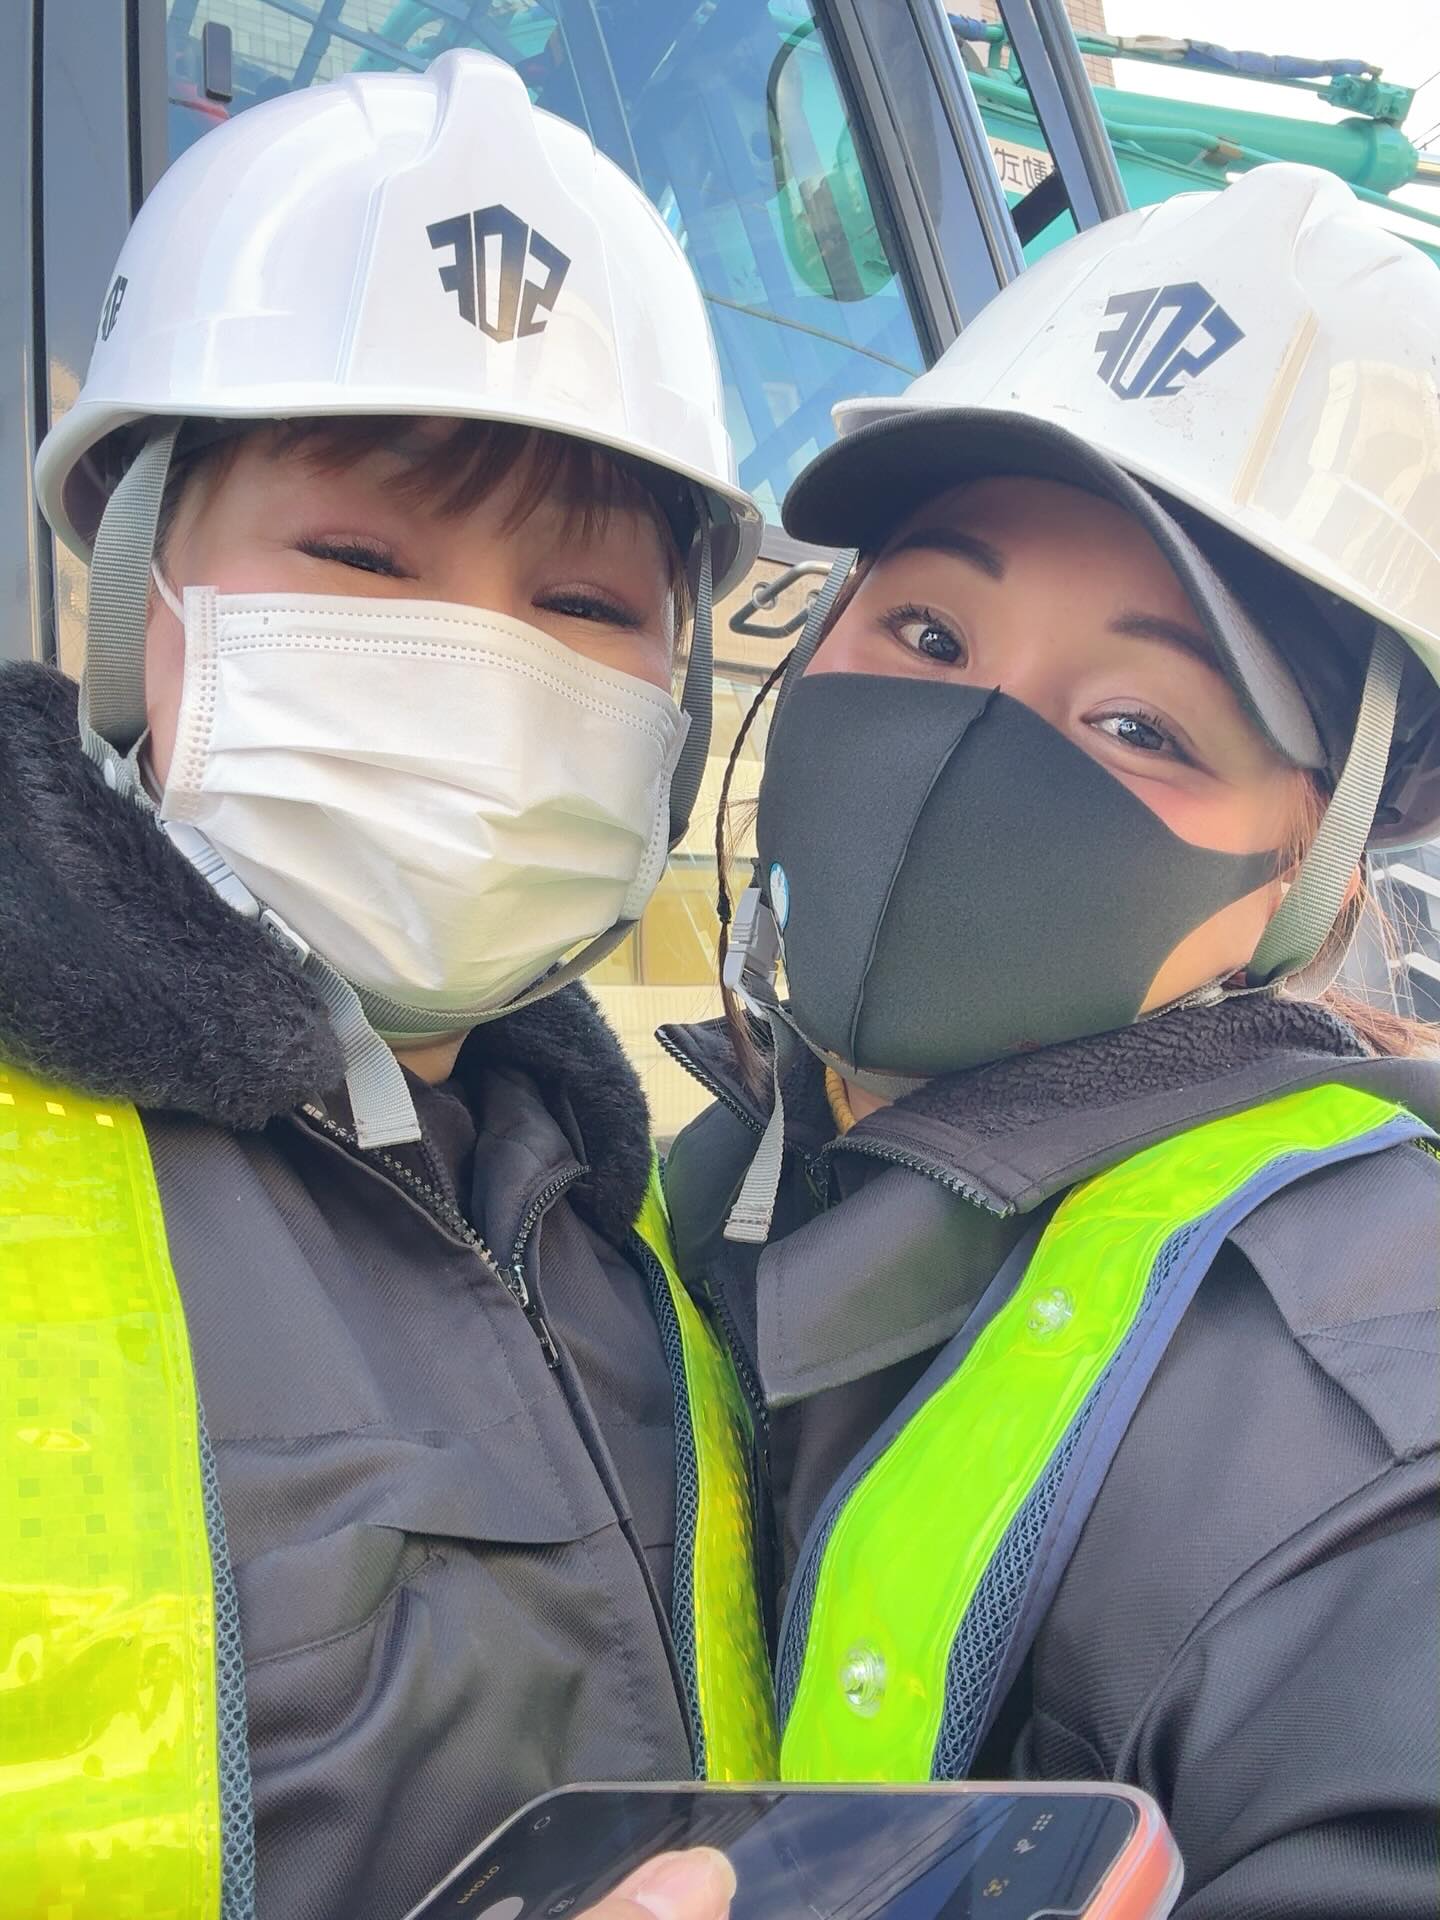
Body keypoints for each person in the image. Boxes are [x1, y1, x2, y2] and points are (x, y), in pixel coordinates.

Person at [0, 51, 776, 1920]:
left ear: (676, 704)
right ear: (134, 592)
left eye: (582, 608)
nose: (475, 665)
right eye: (359, 557)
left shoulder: (614, 1232)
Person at [660, 164, 1440, 1916]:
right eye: (930, 631)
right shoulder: (703, 1177)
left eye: (1141, 724)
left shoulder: (1376, 1401)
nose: (965, 751)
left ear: (1312, 860)